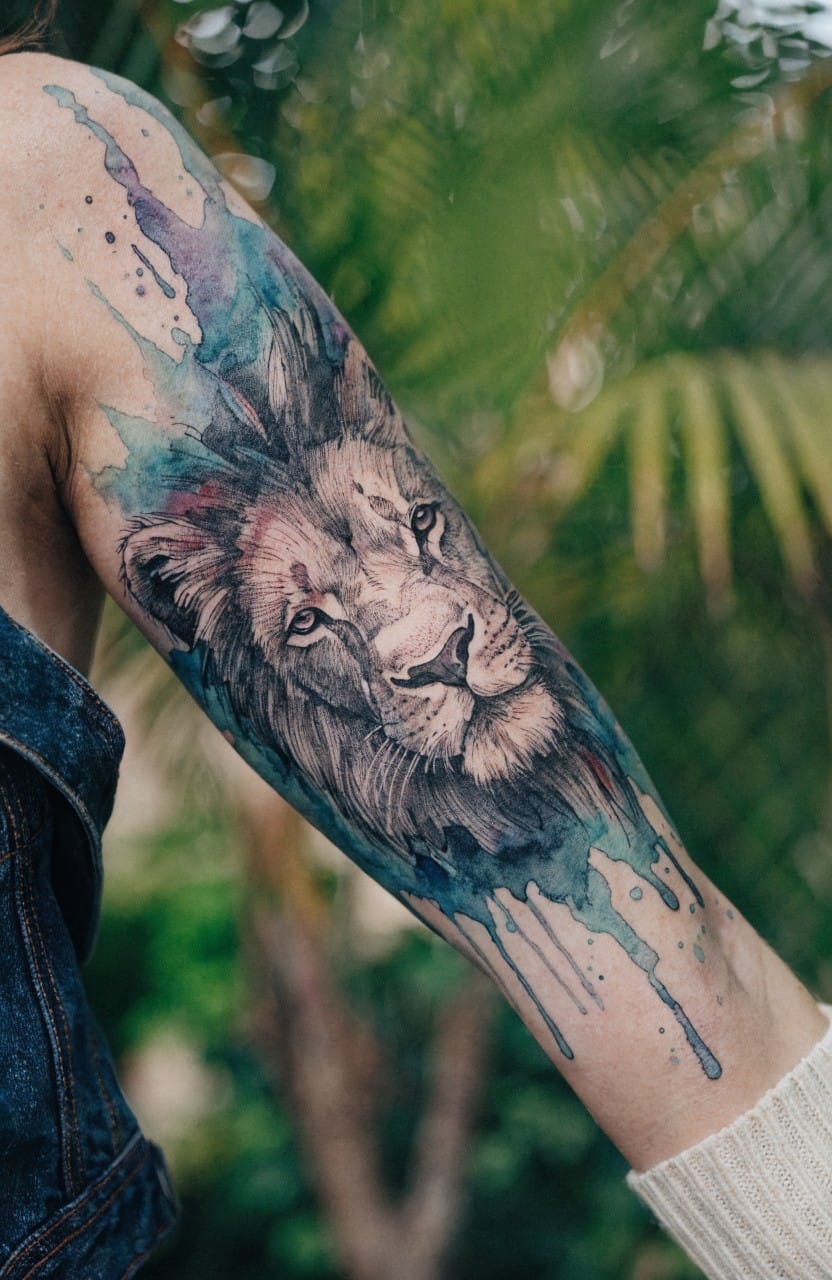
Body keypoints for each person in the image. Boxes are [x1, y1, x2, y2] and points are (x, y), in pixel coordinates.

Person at [0, 38, 830, 1280]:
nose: (416, 627)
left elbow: (688, 987)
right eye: (319, 621)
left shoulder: (44, 172)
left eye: (418, 543)